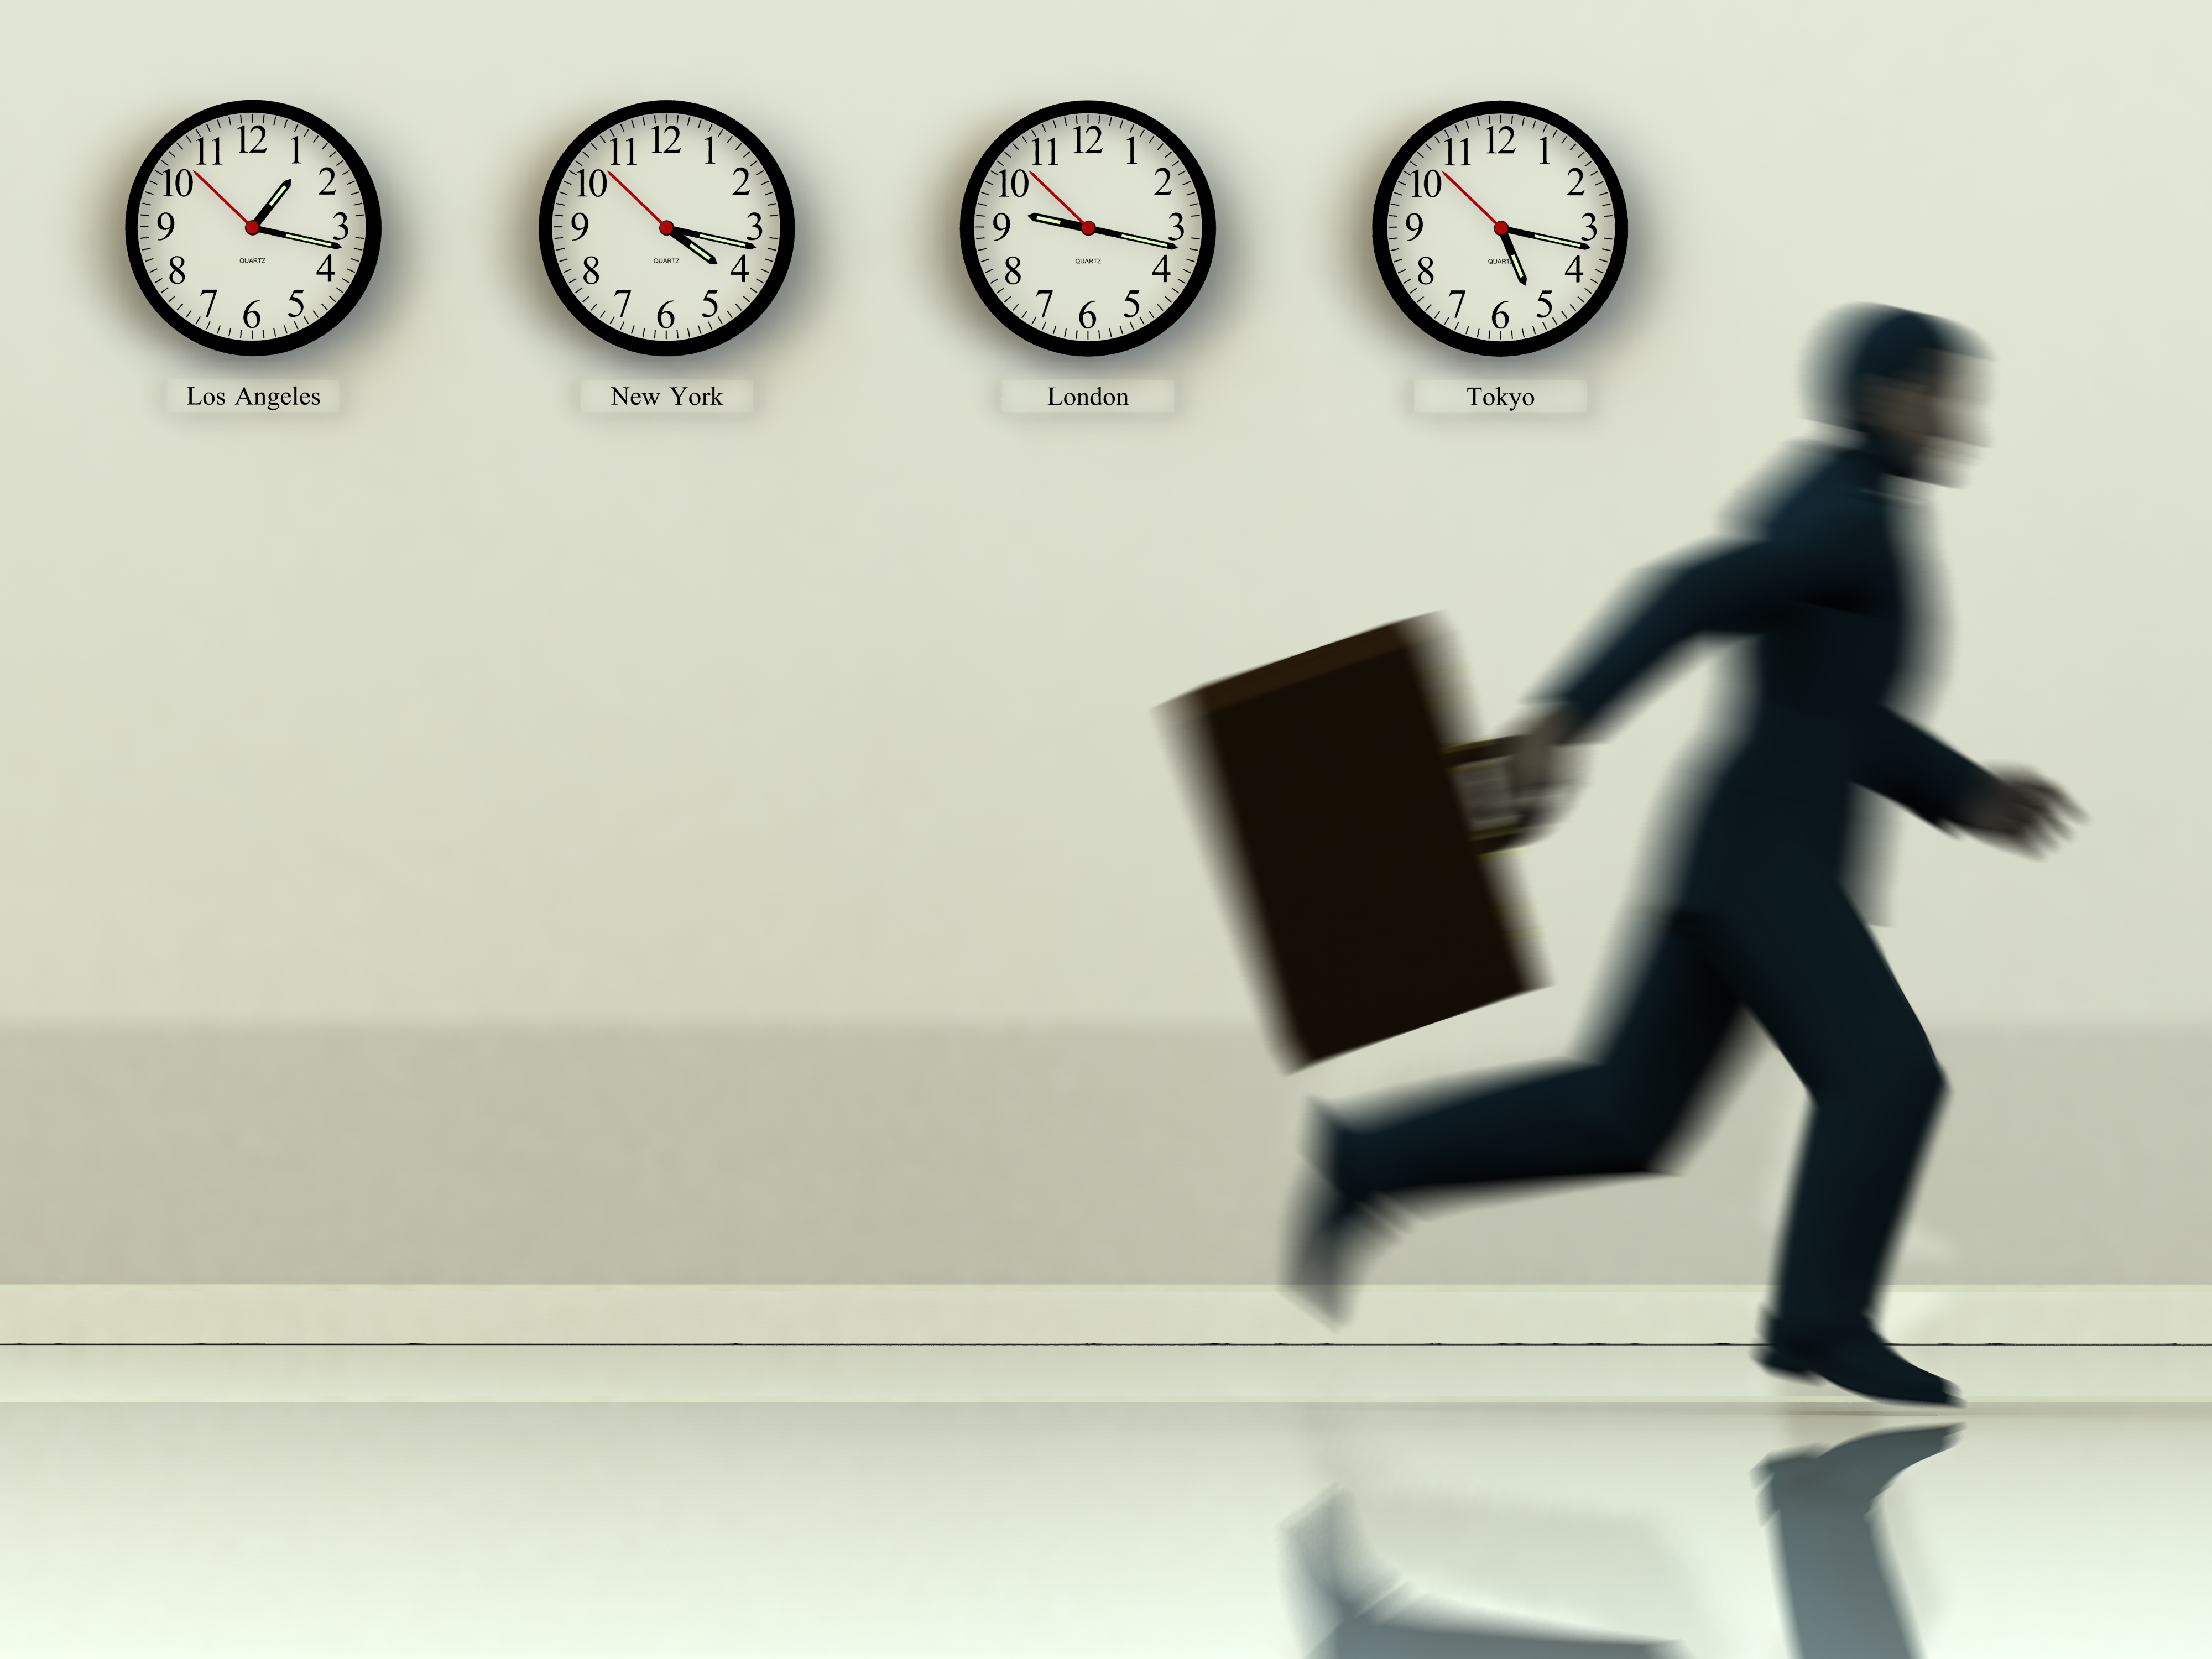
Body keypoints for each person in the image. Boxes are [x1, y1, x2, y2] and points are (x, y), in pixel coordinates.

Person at [1293, 307, 2079, 1407]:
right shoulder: (1845, 519)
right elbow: (1692, 592)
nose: (1960, 424)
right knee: (1884, 1077)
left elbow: (1838, 711)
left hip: (1742, 853)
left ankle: (1368, 1159)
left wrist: (1962, 793)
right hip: (1767, 860)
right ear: (1883, 395)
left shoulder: (1841, 505)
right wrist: (1564, 717)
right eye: (1943, 396)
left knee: (1623, 1113)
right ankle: (1816, 1321)